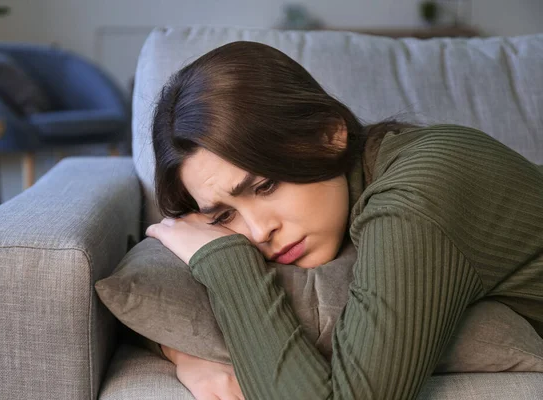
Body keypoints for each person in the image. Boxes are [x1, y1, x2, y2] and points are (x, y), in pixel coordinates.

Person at [144, 41, 543, 400]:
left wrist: (225, 261)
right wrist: (188, 355)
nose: (258, 231)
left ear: (328, 135)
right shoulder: (360, 190)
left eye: (265, 185)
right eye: (225, 215)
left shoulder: (414, 201)